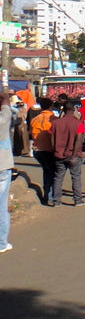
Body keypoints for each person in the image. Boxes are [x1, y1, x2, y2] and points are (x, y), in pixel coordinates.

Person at [52, 99, 85, 207]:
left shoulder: (55, 123)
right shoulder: (78, 123)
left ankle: (56, 201)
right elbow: (79, 139)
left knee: (58, 178)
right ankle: (78, 200)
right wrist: (74, 154)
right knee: (75, 177)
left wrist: (55, 150)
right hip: (73, 154)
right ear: (73, 109)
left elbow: (52, 138)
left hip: (59, 154)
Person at [30, 98, 58, 206]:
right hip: (49, 150)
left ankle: (47, 195)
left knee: (46, 172)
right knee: (51, 174)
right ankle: (50, 196)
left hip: (38, 150)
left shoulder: (35, 119)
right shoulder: (53, 119)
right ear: (51, 107)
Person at [0, 91, 15, 253]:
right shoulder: (3, 119)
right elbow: (5, 102)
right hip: (3, 167)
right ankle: (2, 243)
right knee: (1, 207)